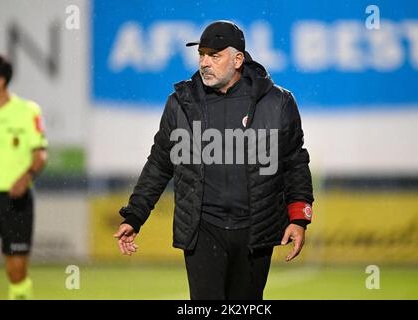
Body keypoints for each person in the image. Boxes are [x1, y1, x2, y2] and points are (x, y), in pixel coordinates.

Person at [114, 20, 314, 300]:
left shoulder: (277, 102)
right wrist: (135, 215)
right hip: (203, 227)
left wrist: (299, 218)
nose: (204, 62)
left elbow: (294, 162)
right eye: (202, 55)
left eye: (214, 55)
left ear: (238, 59)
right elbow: (160, 163)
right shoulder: (181, 103)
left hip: (256, 230)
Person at [0, 55, 48, 299]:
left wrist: (25, 177)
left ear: (0, 81)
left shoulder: (27, 112)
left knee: (16, 270)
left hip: (13, 200)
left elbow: (40, 155)